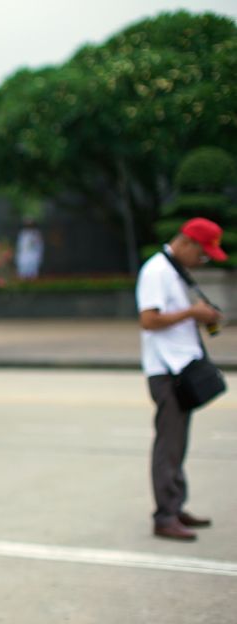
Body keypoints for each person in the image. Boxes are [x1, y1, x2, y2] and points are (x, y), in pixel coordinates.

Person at [137, 217, 226, 541]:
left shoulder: (172, 270)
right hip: (167, 370)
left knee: (178, 443)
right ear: (186, 243)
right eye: (202, 254)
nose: (201, 262)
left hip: (181, 366)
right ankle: (165, 515)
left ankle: (175, 505)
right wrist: (192, 313)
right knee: (168, 444)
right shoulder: (157, 271)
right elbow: (148, 320)